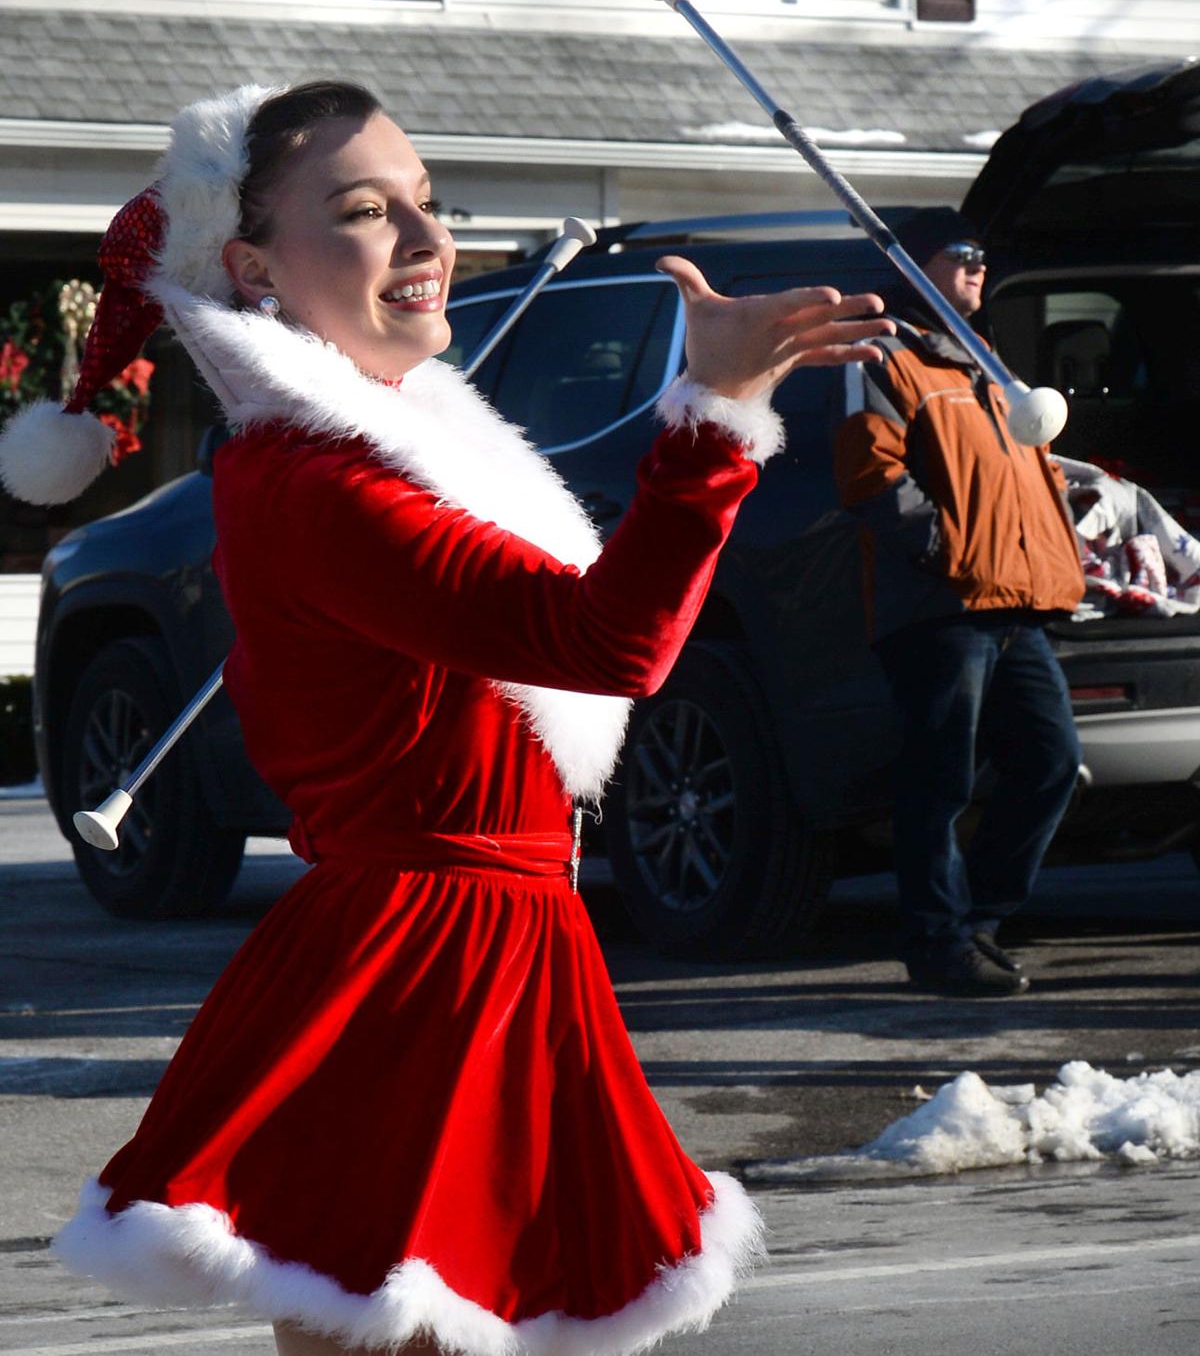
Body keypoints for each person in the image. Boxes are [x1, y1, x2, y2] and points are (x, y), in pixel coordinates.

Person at [0, 81, 893, 1356]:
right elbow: (611, 643)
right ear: (252, 267)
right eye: (368, 213)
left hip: (471, 945)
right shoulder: (319, 485)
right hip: (428, 967)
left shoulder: (321, 464)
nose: (427, 244)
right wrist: (714, 415)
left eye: (430, 203)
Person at [831, 206, 1085, 999]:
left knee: (1050, 762)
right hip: (939, 606)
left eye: (982, 252)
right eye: (961, 253)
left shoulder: (985, 365)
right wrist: (944, 548)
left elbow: (1021, 474)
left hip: (1015, 601)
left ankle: (979, 920)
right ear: (912, 263)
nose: (979, 265)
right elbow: (871, 469)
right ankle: (936, 943)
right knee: (939, 780)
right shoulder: (884, 354)